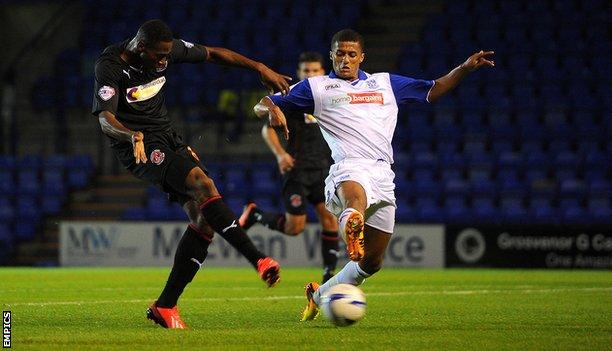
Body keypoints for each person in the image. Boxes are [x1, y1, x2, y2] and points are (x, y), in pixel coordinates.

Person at [253, 29, 494, 321]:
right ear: (331, 55)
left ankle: (318, 294)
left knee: (372, 263)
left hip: (383, 174)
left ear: (361, 57)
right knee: (355, 199)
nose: (345, 59)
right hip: (349, 166)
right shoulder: (317, 87)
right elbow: (262, 103)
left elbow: (433, 89)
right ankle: (352, 222)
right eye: (339, 53)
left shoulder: (385, 83)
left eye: (351, 54)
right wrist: (271, 108)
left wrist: (464, 68)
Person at [92, 19, 292, 329]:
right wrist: (131, 135)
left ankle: (165, 306)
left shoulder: (166, 51)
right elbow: (105, 119)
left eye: (167, 56)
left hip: (168, 138)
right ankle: (258, 259)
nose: (164, 62)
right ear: (141, 48)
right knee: (203, 183)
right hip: (136, 146)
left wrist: (259, 67)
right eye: (159, 57)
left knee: (203, 220)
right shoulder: (109, 67)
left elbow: (213, 54)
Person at [239, 52, 340, 284]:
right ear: (299, 73)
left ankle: (328, 275)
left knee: (329, 219)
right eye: (306, 71)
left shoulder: (329, 96)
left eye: (315, 70)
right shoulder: (293, 96)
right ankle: (256, 213)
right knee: (296, 228)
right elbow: (263, 118)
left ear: (322, 72)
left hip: (323, 169)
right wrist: (281, 154)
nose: (311, 74)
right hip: (296, 169)